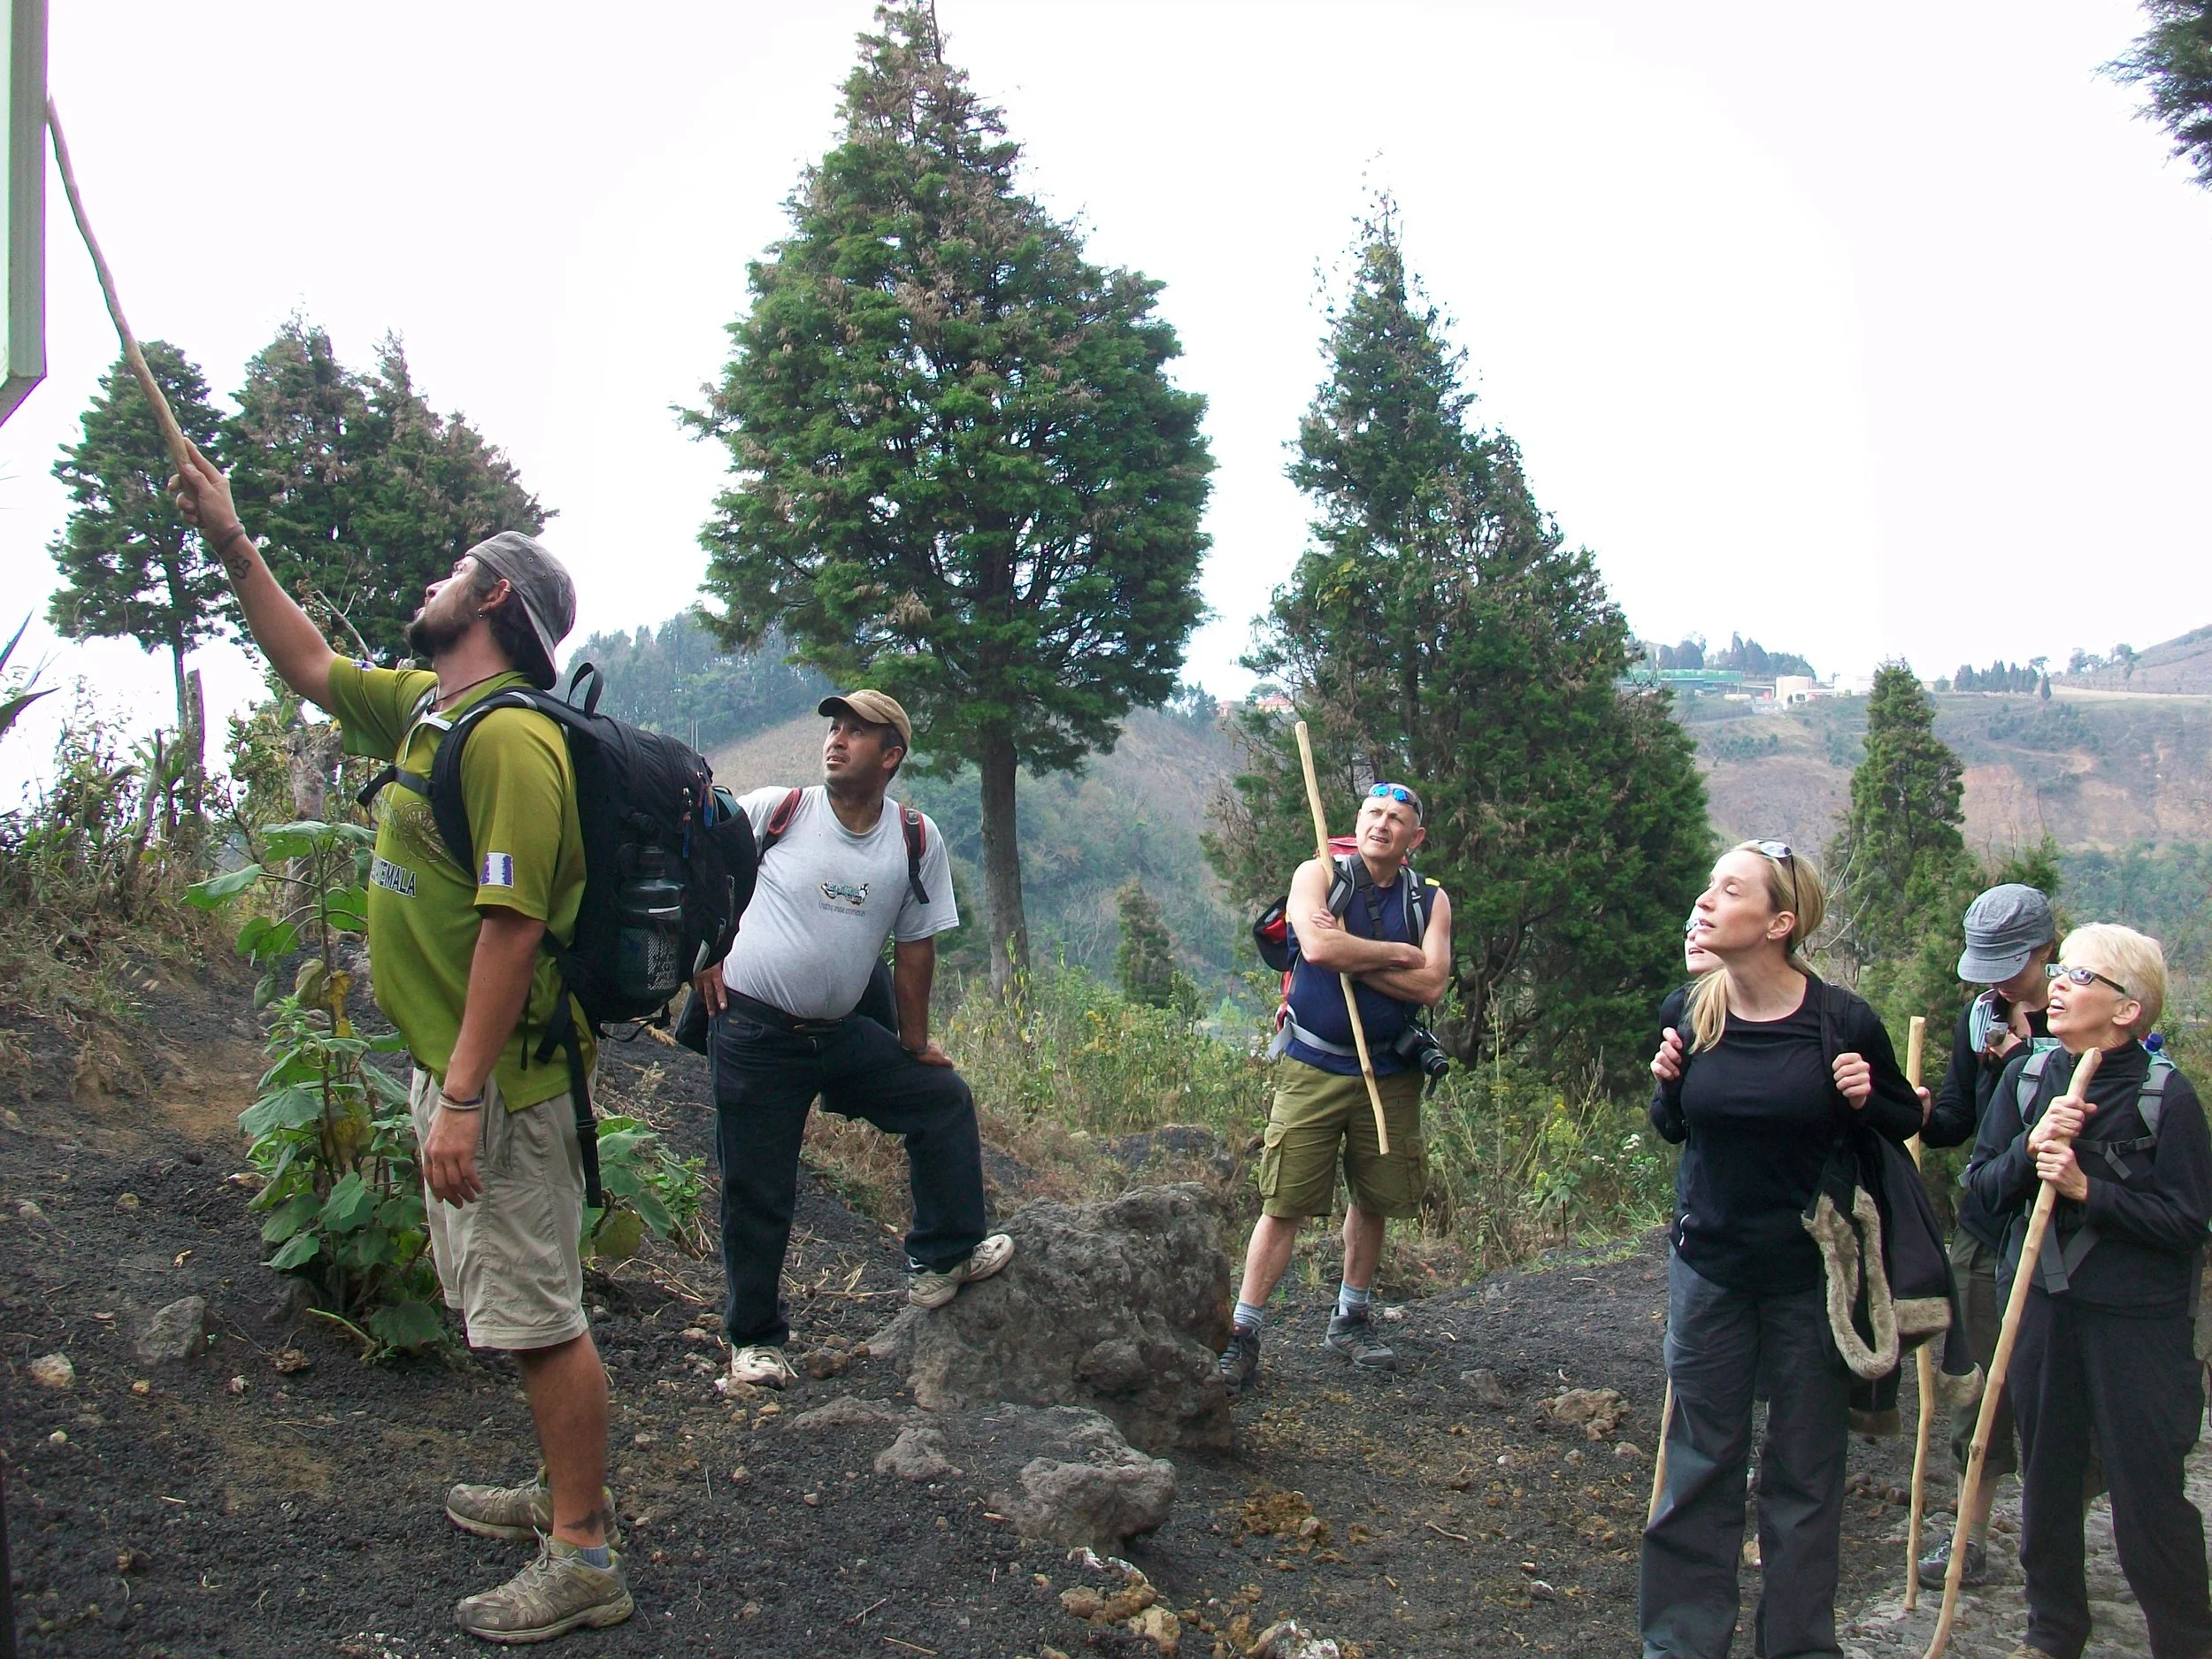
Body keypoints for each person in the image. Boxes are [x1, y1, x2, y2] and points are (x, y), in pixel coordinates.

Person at [170, 449, 631, 1642]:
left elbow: (515, 923)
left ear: (490, 601)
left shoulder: (509, 742)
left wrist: (466, 1093)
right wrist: (230, 535)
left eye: (452, 571)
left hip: (510, 1082)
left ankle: (583, 1550)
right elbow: (309, 662)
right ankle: (558, 1487)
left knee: (540, 1312)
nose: (430, 583)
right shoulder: (431, 708)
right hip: (463, 1069)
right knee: (520, 1300)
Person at [1642, 841, 1922, 1659]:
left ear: (1779, 922)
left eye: (1728, 890)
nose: (1705, 900)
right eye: (1708, 886)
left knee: (1804, 1476)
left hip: (1812, 1281)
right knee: (1698, 1468)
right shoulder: (1689, 1010)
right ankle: (1681, 1646)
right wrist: (1666, 1088)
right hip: (1710, 1273)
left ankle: (1798, 1647)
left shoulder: (1842, 1021)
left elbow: (1903, 1120)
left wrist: (1867, 1097)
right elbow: (1679, 1129)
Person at [690, 693, 1011, 1390]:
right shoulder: (777, 810)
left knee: (941, 1099)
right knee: (758, 1187)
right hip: (752, 1032)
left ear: (890, 755)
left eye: (855, 733)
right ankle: (754, 1341)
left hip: (837, 1036)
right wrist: (704, 950)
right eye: (834, 728)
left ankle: (941, 1256)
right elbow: (704, 867)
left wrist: (916, 1040)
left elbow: (916, 946)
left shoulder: (915, 838)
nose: (836, 741)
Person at [1964, 924, 2211, 1659]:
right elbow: (1981, 1196)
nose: (2059, 985)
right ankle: (2052, 1633)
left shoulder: (2166, 1097)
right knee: (2044, 1477)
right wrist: (2031, 1147)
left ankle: (2186, 1639)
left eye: (2080, 975)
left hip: (2138, 1322)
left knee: (2146, 1490)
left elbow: (2188, 1223)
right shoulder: (2029, 1080)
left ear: (2128, 1008)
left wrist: (2085, 1188)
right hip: (2041, 1307)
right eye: (2061, 971)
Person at [1216, 782, 1453, 1393]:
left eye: (1397, 819)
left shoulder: (1431, 899)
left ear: (1414, 838)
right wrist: (1396, 953)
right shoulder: (1318, 874)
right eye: (1374, 813)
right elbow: (1317, 946)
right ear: (1357, 820)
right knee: (1285, 1199)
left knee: (1375, 1196)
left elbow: (1431, 987)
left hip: (1391, 1072)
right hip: (1314, 1065)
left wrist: (1355, 955)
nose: (1382, 824)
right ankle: (1243, 1333)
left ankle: (1351, 1316)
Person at [1914, 882, 2061, 1590]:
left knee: (2060, 1383)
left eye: (2010, 960)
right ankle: (1967, 1537)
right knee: (1978, 1383)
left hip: (2064, 1230)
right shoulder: (1980, 1016)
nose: (1997, 976)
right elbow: (1955, 1117)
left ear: (2045, 950)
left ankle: (2059, 1538)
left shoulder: (2085, 1012)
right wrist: (1917, 1113)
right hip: (1986, 1225)